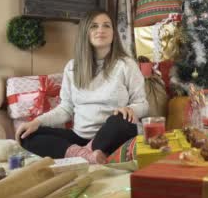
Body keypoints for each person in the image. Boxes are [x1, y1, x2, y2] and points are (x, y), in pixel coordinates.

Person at [16, 10, 147, 164]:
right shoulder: (72, 67)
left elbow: (143, 105)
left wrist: (131, 110)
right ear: (85, 32)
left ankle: (81, 155)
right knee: (27, 135)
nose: (101, 30)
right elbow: (65, 109)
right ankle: (87, 155)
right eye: (94, 26)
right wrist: (36, 122)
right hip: (80, 137)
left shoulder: (126, 64)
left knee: (118, 121)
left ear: (113, 33)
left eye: (107, 26)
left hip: (115, 133)